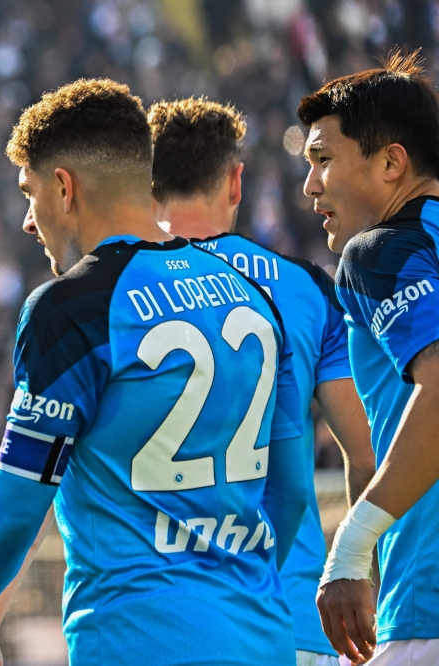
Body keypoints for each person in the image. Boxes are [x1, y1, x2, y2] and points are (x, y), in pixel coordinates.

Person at [0, 78, 309, 666]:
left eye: (30, 193)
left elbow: (15, 507)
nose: (28, 220)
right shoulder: (251, 294)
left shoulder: (72, 307)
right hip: (264, 638)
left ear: (64, 188)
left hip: (136, 642)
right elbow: (294, 490)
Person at [150, 98, 376, 666]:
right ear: (235, 179)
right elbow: (367, 455)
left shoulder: (116, 291)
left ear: (145, 183)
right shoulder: (306, 287)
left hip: (161, 622)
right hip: (291, 615)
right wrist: (355, 569)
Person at [299, 50, 439, 666]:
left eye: (323, 160)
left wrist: (352, 547)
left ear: (391, 163)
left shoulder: (379, 250)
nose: (310, 186)